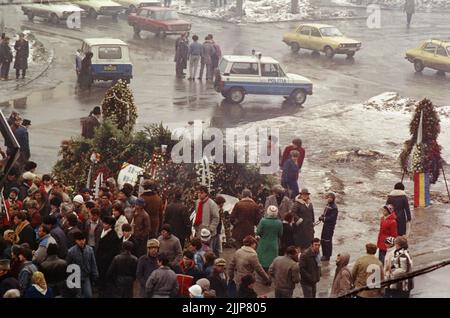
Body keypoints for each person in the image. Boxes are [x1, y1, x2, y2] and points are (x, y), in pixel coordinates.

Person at [66, 231, 98, 298]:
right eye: (79, 240)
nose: (82, 242)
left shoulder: (90, 250)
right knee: (79, 295)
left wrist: (95, 274)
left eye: (83, 239)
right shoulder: (71, 251)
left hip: (86, 276)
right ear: (76, 241)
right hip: (76, 277)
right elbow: (68, 266)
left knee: (89, 295)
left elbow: (93, 263)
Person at [96, 216, 120, 297]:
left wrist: (104, 258)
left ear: (110, 225)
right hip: (99, 259)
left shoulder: (113, 235)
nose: (104, 225)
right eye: (104, 223)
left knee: (105, 277)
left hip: (107, 261)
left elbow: (113, 251)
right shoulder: (101, 231)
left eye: (106, 224)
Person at [256, 205, 283, 272]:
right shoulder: (279, 222)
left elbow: (258, 232)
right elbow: (280, 234)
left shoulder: (263, 221)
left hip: (263, 243)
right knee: (272, 259)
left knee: (263, 259)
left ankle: (263, 274)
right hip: (274, 243)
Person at [319, 192, 338, 261]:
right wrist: (322, 216)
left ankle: (327, 255)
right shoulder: (328, 205)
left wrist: (324, 219)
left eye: (331, 197)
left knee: (327, 240)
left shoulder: (334, 208)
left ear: (333, 199)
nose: (329, 199)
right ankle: (324, 254)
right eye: (328, 197)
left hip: (330, 227)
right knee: (323, 239)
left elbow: (332, 218)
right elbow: (325, 213)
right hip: (325, 225)